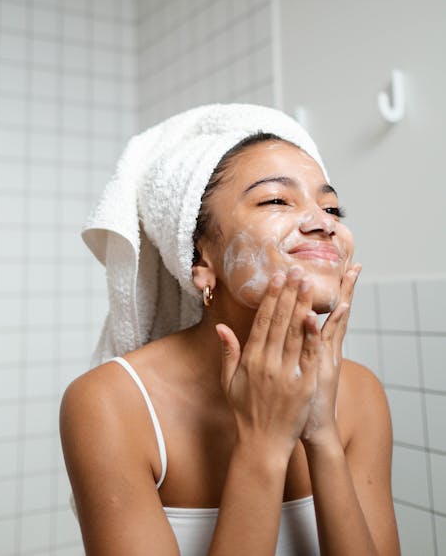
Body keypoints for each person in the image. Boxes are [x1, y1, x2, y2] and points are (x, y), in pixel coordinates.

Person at [60, 104, 400, 556]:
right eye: (277, 200)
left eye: (332, 205)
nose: (324, 222)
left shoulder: (359, 394)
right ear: (201, 258)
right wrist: (262, 444)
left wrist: (321, 436)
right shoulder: (110, 404)